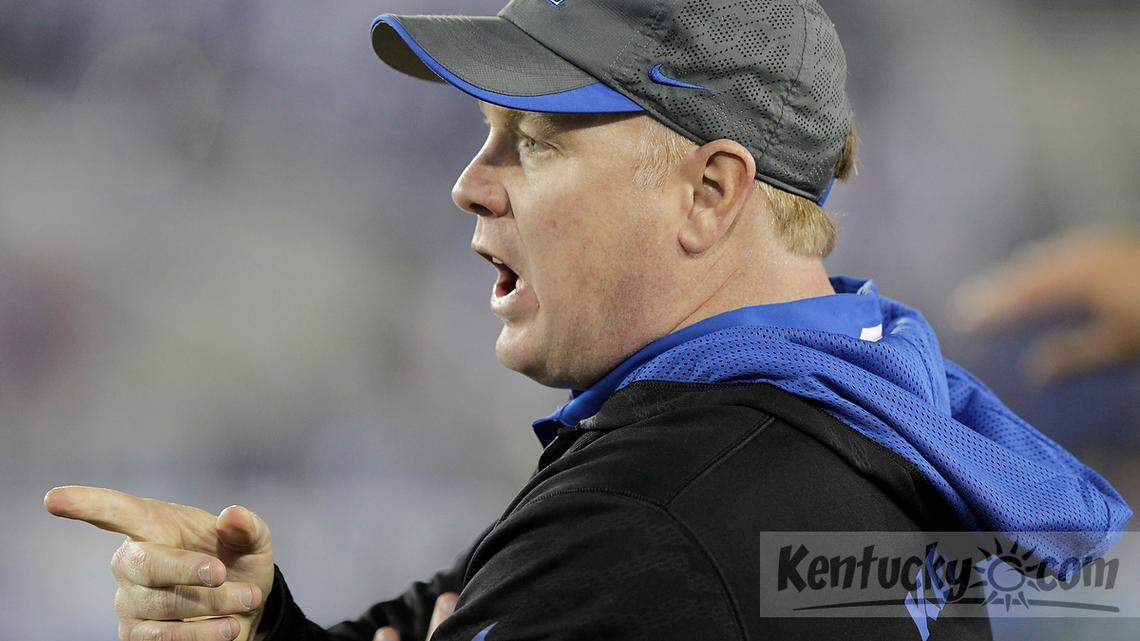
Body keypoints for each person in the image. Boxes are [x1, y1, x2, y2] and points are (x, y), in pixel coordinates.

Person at [45, 1, 1133, 640]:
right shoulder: (883, 423)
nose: (472, 183)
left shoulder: (651, 514)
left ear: (710, 192)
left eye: (536, 139)